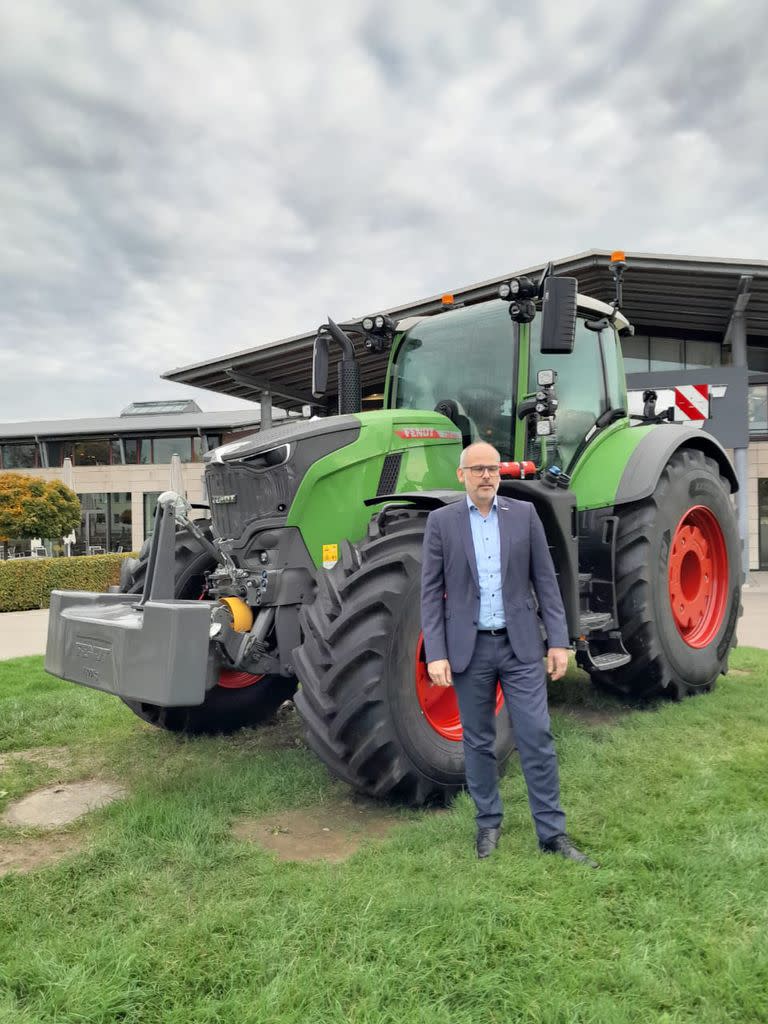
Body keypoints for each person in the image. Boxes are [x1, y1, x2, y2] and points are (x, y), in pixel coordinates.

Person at [420, 441, 598, 865]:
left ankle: (552, 834)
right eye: (478, 469)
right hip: (470, 648)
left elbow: (546, 582)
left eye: (493, 468)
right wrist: (436, 653)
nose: (486, 475)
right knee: (479, 742)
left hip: (520, 646)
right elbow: (430, 593)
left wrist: (558, 640)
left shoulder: (525, 515)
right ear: (461, 475)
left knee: (536, 735)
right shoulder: (441, 522)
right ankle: (488, 824)